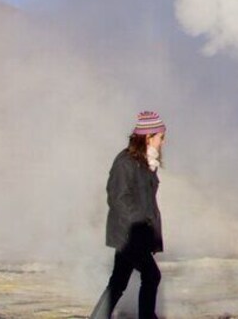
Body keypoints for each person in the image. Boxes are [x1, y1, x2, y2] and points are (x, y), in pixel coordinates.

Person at [90, 111, 166, 319]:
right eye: (161, 136)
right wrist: (140, 225)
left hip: (137, 233)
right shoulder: (126, 162)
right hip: (130, 234)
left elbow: (147, 201)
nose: (163, 142)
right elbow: (118, 199)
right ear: (148, 137)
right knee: (151, 276)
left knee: (118, 281)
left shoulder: (146, 163)